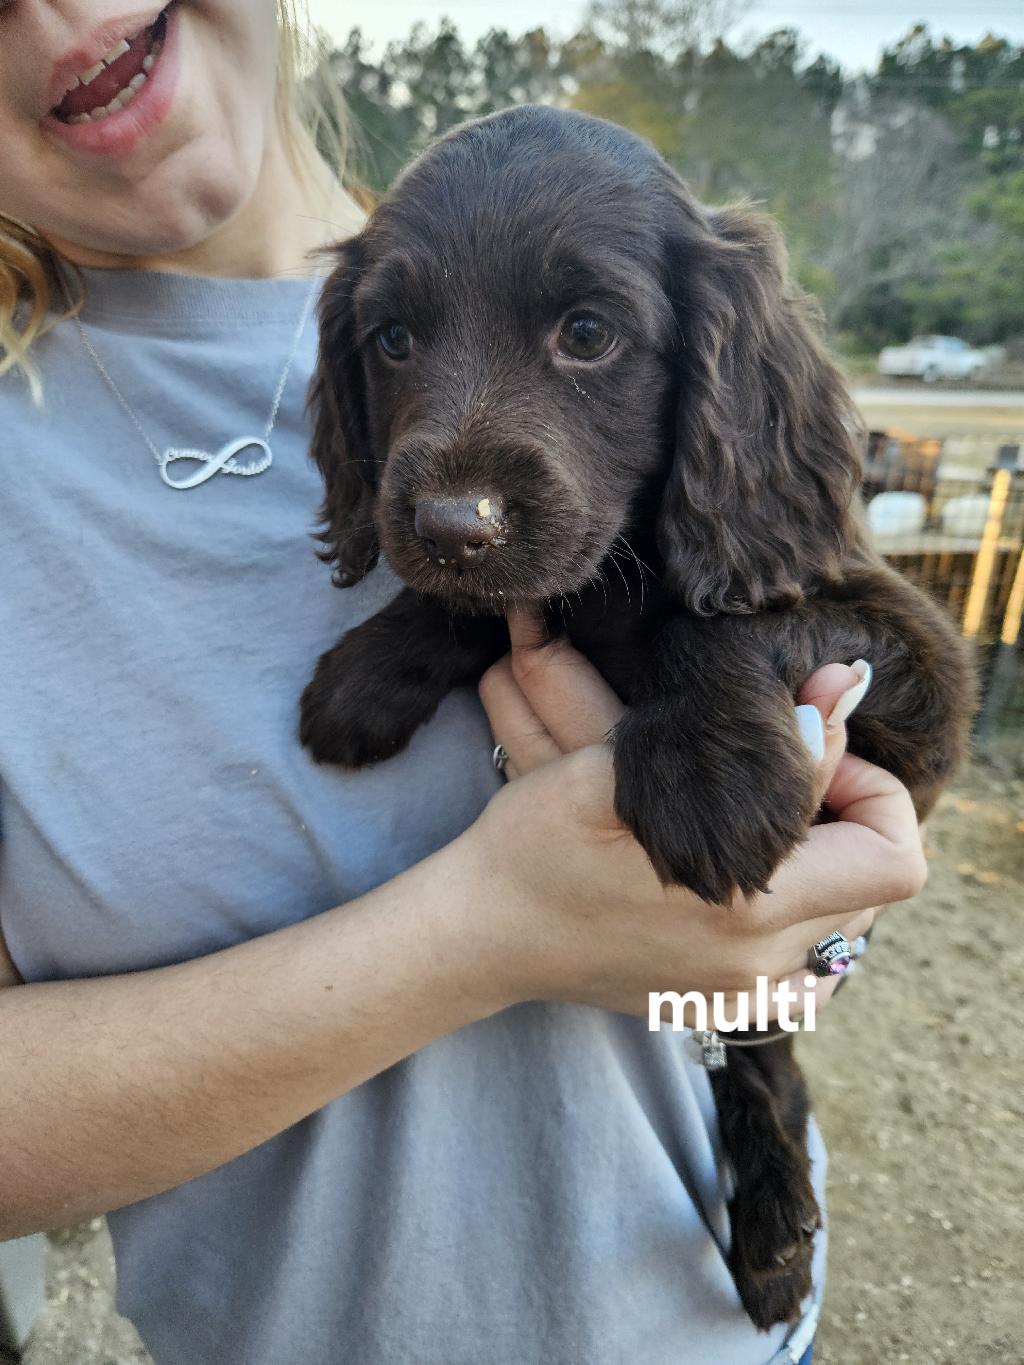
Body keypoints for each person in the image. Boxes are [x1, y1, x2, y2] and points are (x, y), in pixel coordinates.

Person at [0, 4, 926, 1363]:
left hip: (717, 1325)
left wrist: (795, 957)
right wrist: (486, 933)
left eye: (589, 336)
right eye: (397, 346)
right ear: (355, 373)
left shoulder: (613, 264)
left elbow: (834, 845)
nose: (44, 13)